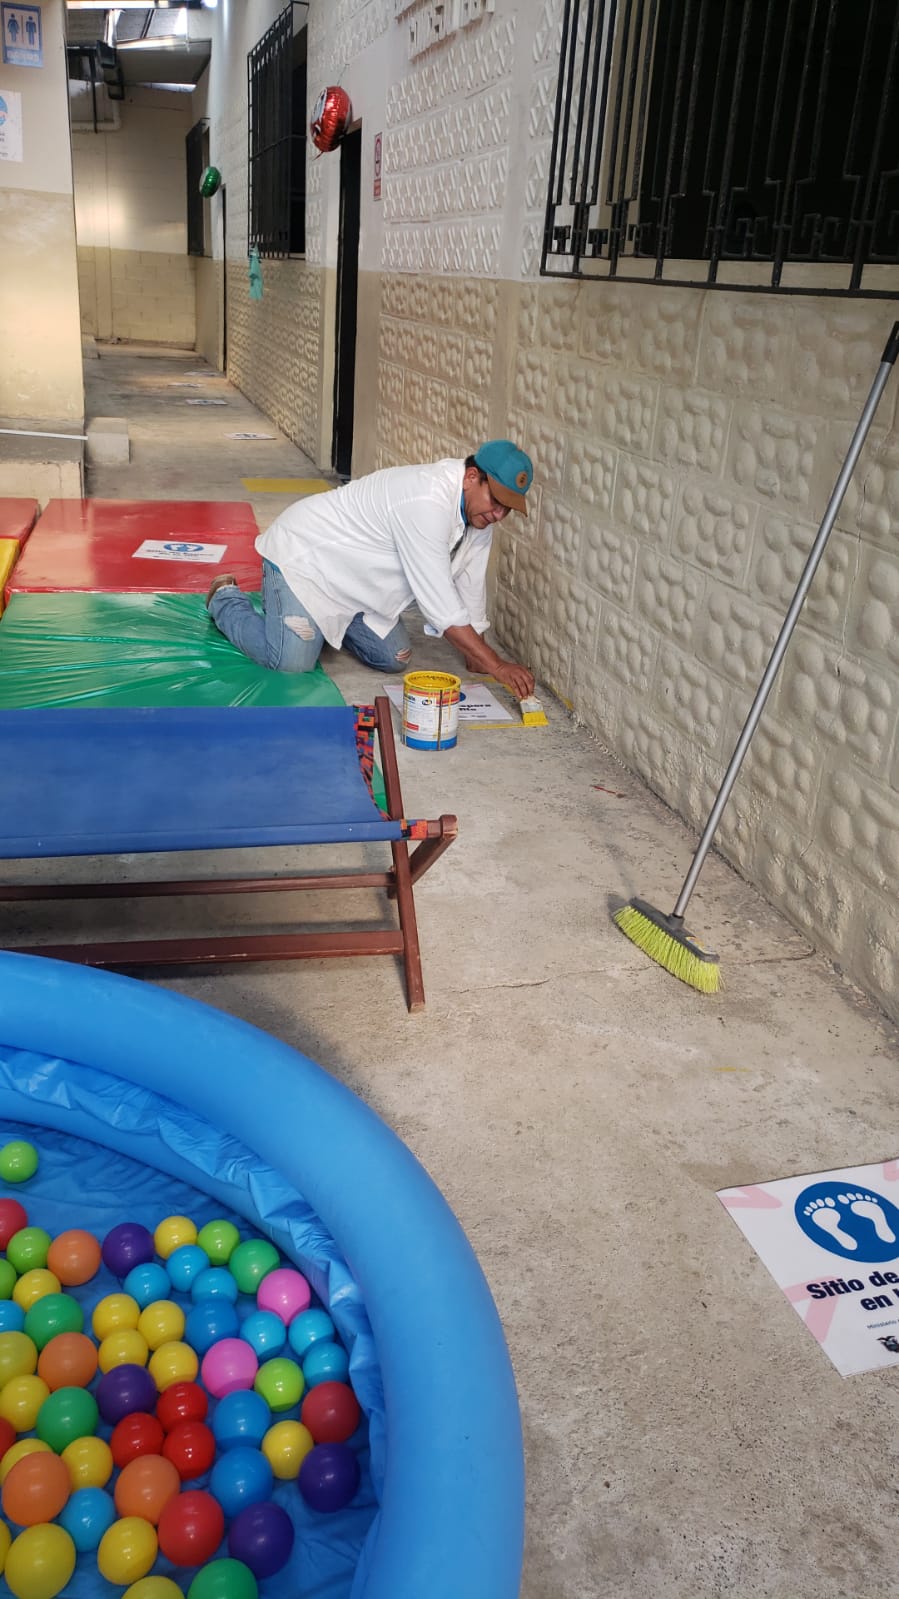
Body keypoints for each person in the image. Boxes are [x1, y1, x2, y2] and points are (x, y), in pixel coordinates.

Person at [206, 439, 536, 700]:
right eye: (496, 501)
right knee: (290, 662)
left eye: (507, 509)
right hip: (305, 559)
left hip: (354, 583)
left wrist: (479, 656)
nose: (498, 515)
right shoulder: (426, 501)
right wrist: (498, 665)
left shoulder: (478, 518)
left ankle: (321, 624)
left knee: (395, 658)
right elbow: (441, 607)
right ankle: (226, 599)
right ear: (471, 477)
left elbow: (471, 584)